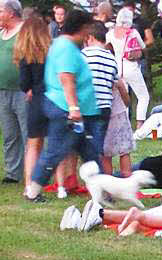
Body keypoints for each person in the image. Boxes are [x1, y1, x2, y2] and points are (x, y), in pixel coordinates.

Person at [24, 8, 100, 202]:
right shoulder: (66, 48)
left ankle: (102, 192)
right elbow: (67, 78)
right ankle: (32, 191)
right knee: (55, 152)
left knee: (90, 152)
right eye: (88, 28)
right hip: (67, 110)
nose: (89, 33)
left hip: (73, 109)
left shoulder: (59, 43)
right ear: (81, 28)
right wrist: (74, 108)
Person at [12, 10, 47, 190]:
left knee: (33, 144)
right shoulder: (50, 53)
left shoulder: (25, 56)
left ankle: (29, 185)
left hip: (35, 102)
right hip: (52, 99)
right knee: (54, 145)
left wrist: (30, 89)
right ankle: (61, 185)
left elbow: (24, 84)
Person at [107, 7, 149, 128]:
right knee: (143, 96)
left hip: (118, 68)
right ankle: (140, 125)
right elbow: (143, 46)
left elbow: (105, 47)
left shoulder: (110, 33)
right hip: (131, 66)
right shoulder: (133, 32)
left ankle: (124, 126)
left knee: (122, 99)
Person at [82, 21, 119, 159]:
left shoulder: (84, 55)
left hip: (87, 105)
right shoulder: (111, 58)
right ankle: (96, 170)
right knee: (98, 144)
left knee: (81, 143)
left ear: (90, 37)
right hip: (105, 106)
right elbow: (113, 83)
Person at [0, 0, 26, 186]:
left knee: (28, 134)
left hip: (23, 91)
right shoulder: (2, 33)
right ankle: (12, 173)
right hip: (3, 91)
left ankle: (34, 172)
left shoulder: (25, 32)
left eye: (0, 10)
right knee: (10, 135)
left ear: (11, 13)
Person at [101, 73, 133, 175]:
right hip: (119, 115)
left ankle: (107, 181)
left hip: (104, 116)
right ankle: (127, 177)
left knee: (106, 154)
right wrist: (127, 103)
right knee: (124, 151)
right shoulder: (114, 75)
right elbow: (126, 97)